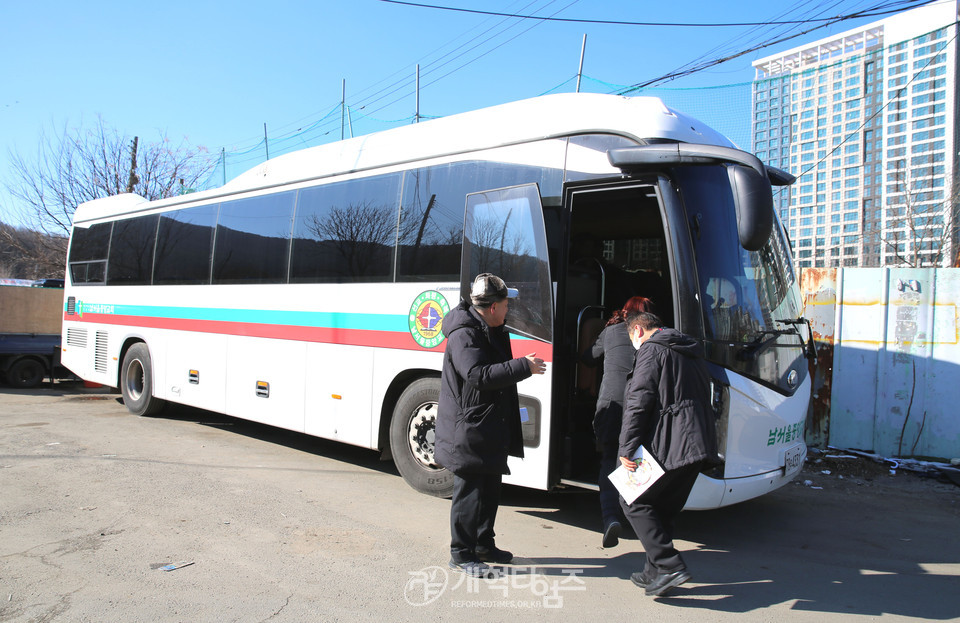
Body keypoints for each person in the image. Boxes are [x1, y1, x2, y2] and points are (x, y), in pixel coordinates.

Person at [435, 273, 547, 578]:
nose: (509, 309)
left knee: (490, 490)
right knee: (470, 492)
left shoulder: (490, 328)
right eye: (506, 304)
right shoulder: (464, 334)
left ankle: (483, 543)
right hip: (469, 426)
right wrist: (524, 366)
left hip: (487, 424)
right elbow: (478, 375)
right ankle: (461, 554)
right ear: (493, 306)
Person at [618, 311, 718, 597]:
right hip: (699, 442)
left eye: (631, 339)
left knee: (633, 499)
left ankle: (668, 565)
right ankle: (654, 571)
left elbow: (639, 400)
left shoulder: (652, 350)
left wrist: (627, 446)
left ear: (638, 330)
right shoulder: (688, 348)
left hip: (672, 441)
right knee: (662, 508)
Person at [580, 296, 656, 548]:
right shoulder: (653, 337)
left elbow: (589, 357)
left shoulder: (611, 332)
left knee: (609, 458)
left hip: (611, 404)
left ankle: (610, 516)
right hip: (641, 405)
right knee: (636, 459)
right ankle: (637, 515)